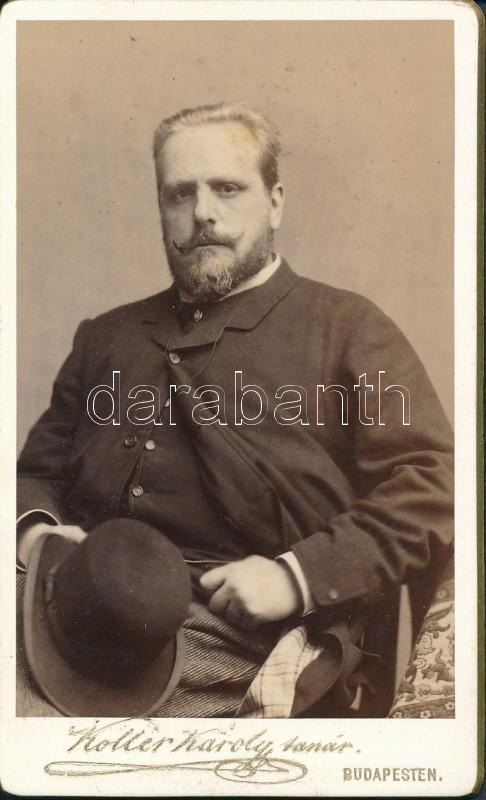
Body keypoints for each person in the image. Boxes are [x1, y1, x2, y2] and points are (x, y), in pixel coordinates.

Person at [17, 102, 453, 718]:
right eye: (180, 193)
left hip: (238, 636)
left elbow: (434, 485)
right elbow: (36, 474)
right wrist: (38, 537)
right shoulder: (106, 338)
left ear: (274, 202)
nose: (202, 213)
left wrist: (296, 576)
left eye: (227, 188)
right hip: (71, 606)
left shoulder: (348, 329)